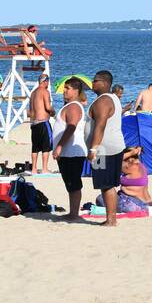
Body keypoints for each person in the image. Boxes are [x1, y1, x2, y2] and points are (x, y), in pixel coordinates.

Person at [85, 70, 127, 227]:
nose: (92, 83)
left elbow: (100, 126)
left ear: (104, 83)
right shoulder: (114, 98)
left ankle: (111, 220)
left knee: (106, 184)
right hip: (113, 146)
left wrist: (93, 149)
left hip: (103, 150)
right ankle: (111, 218)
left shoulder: (103, 101)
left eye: (95, 81)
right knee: (107, 184)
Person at [51, 77, 91, 220]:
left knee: (73, 183)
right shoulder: (70, 105)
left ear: (76, 91)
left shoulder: (74, 106)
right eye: (65, 88)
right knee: (70, 183)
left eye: (67, 88)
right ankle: (72, 212)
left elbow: (71, 127)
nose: (64, 91)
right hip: (68, 153)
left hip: (71, 153)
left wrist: (60, 146)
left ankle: (74, 213)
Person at [28, 73, 54, 174]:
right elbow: (48, 107)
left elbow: (30, 110)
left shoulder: (33, 93)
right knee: (46, 146)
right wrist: (53, 112)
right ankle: (44, 169)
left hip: (33, 123)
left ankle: (34, 169)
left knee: (35, 147)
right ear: (46, 81)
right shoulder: (45, 91)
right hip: (43, 122)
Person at [113, 147, 152, 212]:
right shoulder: (141, 166)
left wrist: (131, 152)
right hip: (148, 203)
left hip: (134, 204)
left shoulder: (129, 166)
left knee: (101, 198)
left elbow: (115, 160)